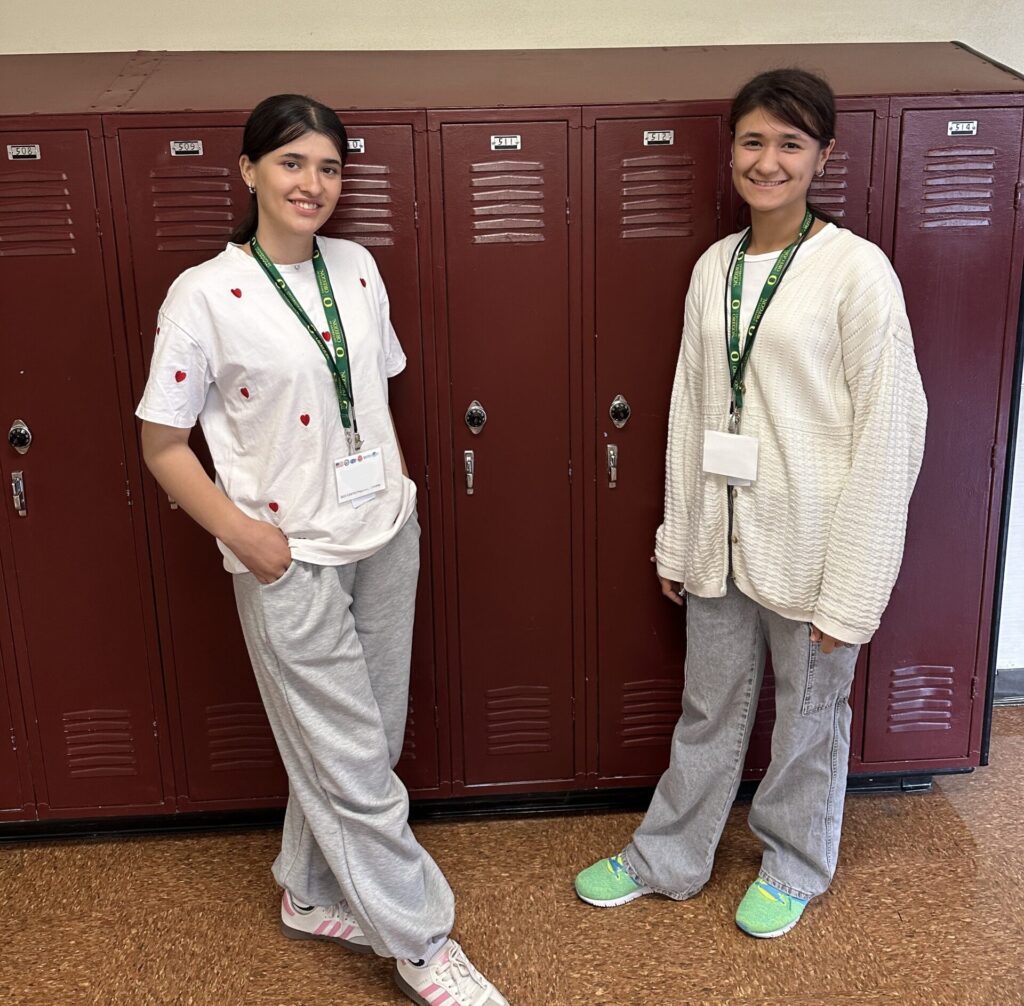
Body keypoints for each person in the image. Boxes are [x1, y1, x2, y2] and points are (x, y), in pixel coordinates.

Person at [137, 93, 508, 1006]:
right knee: (348, 757)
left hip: (384, 535)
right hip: (288, 556)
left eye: (329, 167)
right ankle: (423, 941)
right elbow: (161, 444)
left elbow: (370, 395)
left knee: (364, 743)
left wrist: (396, 495)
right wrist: (245, 536)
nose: (312, 183)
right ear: (250, 171)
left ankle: (307, 891)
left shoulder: (356, 267)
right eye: (292, 162)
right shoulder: (204, 295)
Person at [574, 68, 927, 938]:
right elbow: (691, 407)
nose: (768, 162)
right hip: (723, 540)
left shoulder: (856, 272)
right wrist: (678, 541)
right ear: (730, 151)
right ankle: (671, 858)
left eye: (791, 144)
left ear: (823, 157)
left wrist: (854, 593)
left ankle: (795, 864)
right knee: (708, 708)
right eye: (753, 142)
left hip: (816, 550)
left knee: (810, 719)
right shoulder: (714, 268)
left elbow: (892, 432)